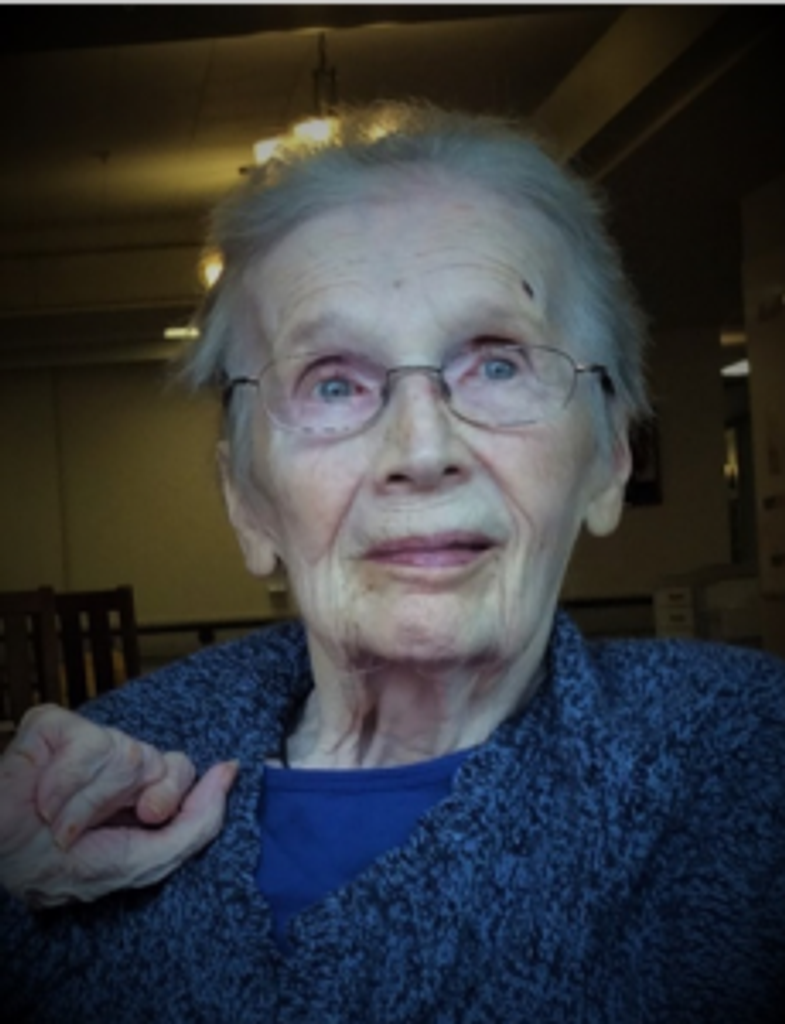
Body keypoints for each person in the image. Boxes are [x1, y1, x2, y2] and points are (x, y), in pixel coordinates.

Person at [1, 102, 784, 1024]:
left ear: (609, 460)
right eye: (332, 382)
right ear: (247, 502)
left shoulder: (750, 759)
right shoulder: (76, 792)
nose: (421, 448)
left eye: (498, 365)